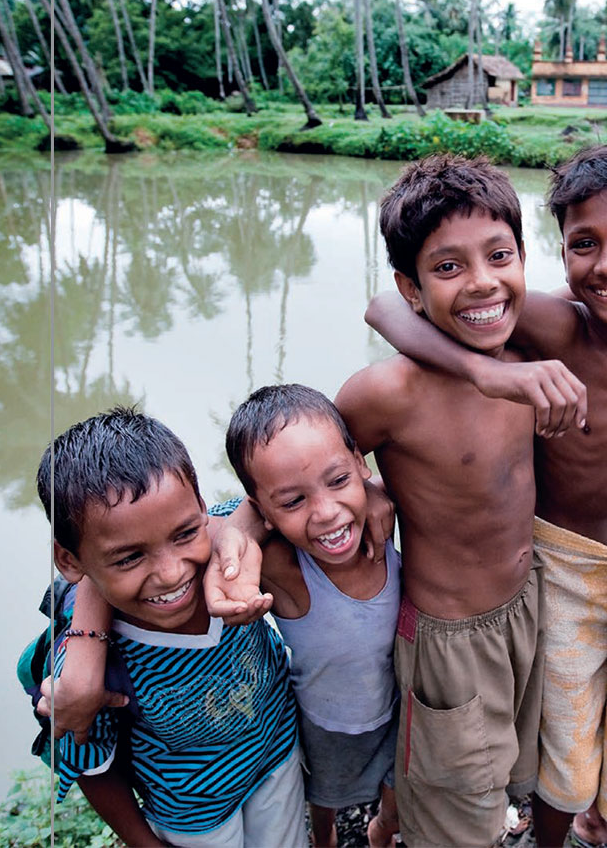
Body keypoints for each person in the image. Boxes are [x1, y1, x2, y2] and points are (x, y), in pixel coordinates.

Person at [364, 141, 607, 848]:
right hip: (551, 566)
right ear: (563, 256)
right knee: (549, 729)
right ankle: (531, 826)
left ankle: (594, 814)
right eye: (585, 245)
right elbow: (385, 306)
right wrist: (491, 374)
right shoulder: (548, 325)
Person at [297, 152, 546, 847]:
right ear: (411, 288)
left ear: (524, 257)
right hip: (449, 636)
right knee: (453, 792)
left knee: (488, 762)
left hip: (524, 606)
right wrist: (368, 486)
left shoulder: (530, 354)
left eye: (499, 254)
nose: (482, 282)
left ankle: (390, 825)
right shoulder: (387, 392)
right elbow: (313, 465)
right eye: (448, 267)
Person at [36, 407, 306, 848]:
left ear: (201, 509)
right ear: (70, 560)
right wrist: (144, 843)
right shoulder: (89, 670)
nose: (170, 573)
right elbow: (91, 764)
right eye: (129, 558)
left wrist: (228, 537)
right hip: (196, 813)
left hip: (276, 760)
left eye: (184, 534)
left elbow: (261, 506)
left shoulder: (223, 557)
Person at [223, 384, 404, 848]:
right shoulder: (284, 566)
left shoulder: (394, 514)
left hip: (401, 707)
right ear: (261, 511)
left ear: (361, 463)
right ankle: (322, 835)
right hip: (326, 721)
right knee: (323, 793)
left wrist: (374, 492)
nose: (325, 513)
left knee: (398, 788)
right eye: (292, 502)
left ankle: (382, 828)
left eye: (339, 480)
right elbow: (190, 538)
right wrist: (237, 541)